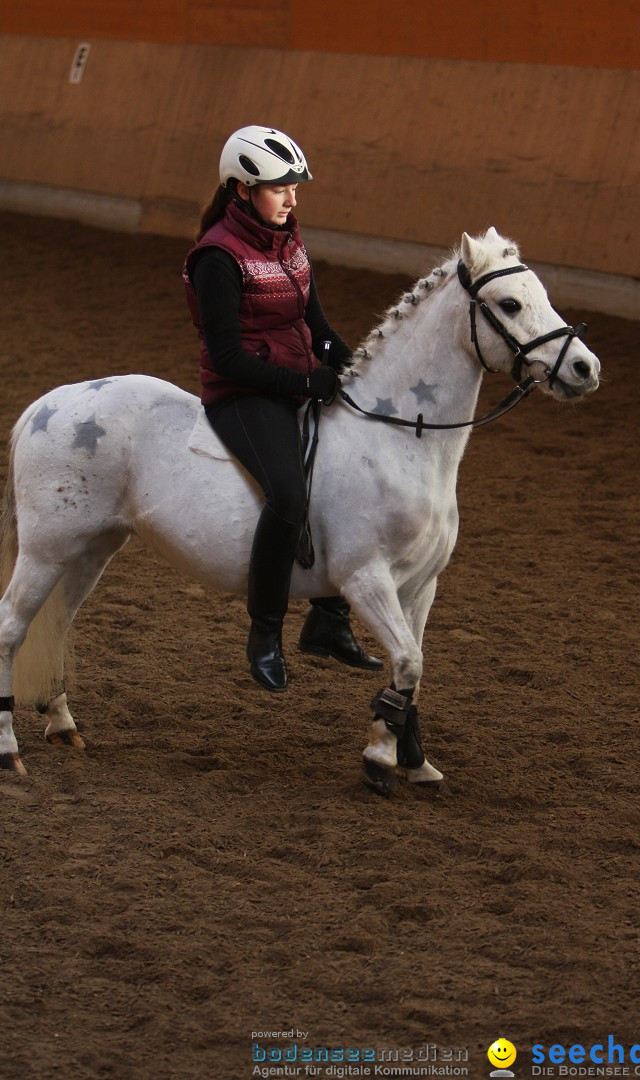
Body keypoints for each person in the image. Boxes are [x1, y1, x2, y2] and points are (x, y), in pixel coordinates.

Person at [183, 125, 382, 692]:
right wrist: (305, 382)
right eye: (279, 188)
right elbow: (226, 359)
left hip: (296, 380)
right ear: (242, 190)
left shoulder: (288, 239)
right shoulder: (216, 258)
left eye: (295, 186)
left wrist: (353, 368)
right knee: (290, 495)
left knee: (351, 477)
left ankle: (329, 619)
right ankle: (265, 630)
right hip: (243, 395)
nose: (292, 198)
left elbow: (315, 327)